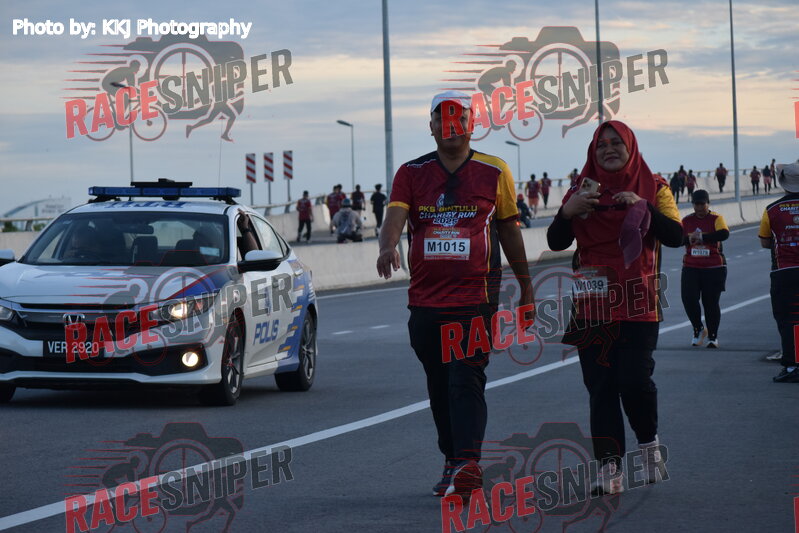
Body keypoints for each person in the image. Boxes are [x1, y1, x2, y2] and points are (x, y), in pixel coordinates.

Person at [376, 90, 533, 499]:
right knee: (440, 383)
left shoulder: (494, 170)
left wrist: (526, 286)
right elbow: (395, 216)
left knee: (466, 378)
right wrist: (387, 246)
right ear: (430, 127)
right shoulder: (411, 172)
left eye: (459, 118)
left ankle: (467, 464)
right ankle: (452, 459)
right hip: (425, 302)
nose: (450, 126)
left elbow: (509, 230)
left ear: (472, 124)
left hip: (475, 298)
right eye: (441, 119)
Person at [546, 120, 683, 495]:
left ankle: (649, 444)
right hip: (592, 306)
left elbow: (676, 236)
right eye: (601, 144)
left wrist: (643, 207)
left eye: (616, 143)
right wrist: (567, 212)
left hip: (638, 303)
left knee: (634, 383)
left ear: (630, 147)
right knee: (601, 388)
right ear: (592, 151)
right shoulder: (581, 190)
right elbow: (556, 241)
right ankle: (610, 468)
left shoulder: (655, 187)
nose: (608, 149)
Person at [759, 161, 799, 383]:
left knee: (788, 319)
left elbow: (765, 242)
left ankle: (792, 366)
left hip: (785, 272)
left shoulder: (772, 209)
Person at [680, 189, 729, 348]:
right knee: (688, 299)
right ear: (692, 204)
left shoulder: (716, 218)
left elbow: (724, 234)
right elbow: (678, 239)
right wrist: (689, 239)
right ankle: (699, 328)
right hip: (691, 266)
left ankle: (713, 336)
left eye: (702, 204)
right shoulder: (686, 220)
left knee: (710, 302)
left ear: (708, 203)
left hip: (713, 267)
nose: (700, 207)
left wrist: (702, 237)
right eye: (696, 204)